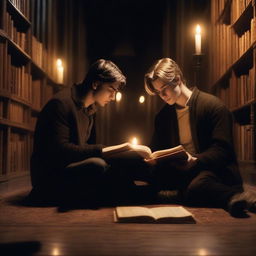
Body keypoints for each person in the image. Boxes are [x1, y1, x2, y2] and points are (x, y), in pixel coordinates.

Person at [144, 57, 256, 216]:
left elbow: (222, 150)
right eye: (158, 92)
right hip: (182, 173)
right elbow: (156, 150)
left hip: (212, 171)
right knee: (146, 177)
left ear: (177, 79)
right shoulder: (163, 117)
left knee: (198, 186)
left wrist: (195, 160)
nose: (161, 95)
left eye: (164, 89)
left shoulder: (213, 106)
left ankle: (235, 197)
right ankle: (181, 195)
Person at [29, 59, 138, 207]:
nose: (113, 97)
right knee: (97, 165)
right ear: (95, 84)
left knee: (118, 165)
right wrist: (108, 150)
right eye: (111, 90)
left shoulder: (91, 109)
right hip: (50, 178)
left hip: (72, 169)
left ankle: (140, 192)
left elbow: (87, 147)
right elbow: (62, 151)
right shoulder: (60, 104)